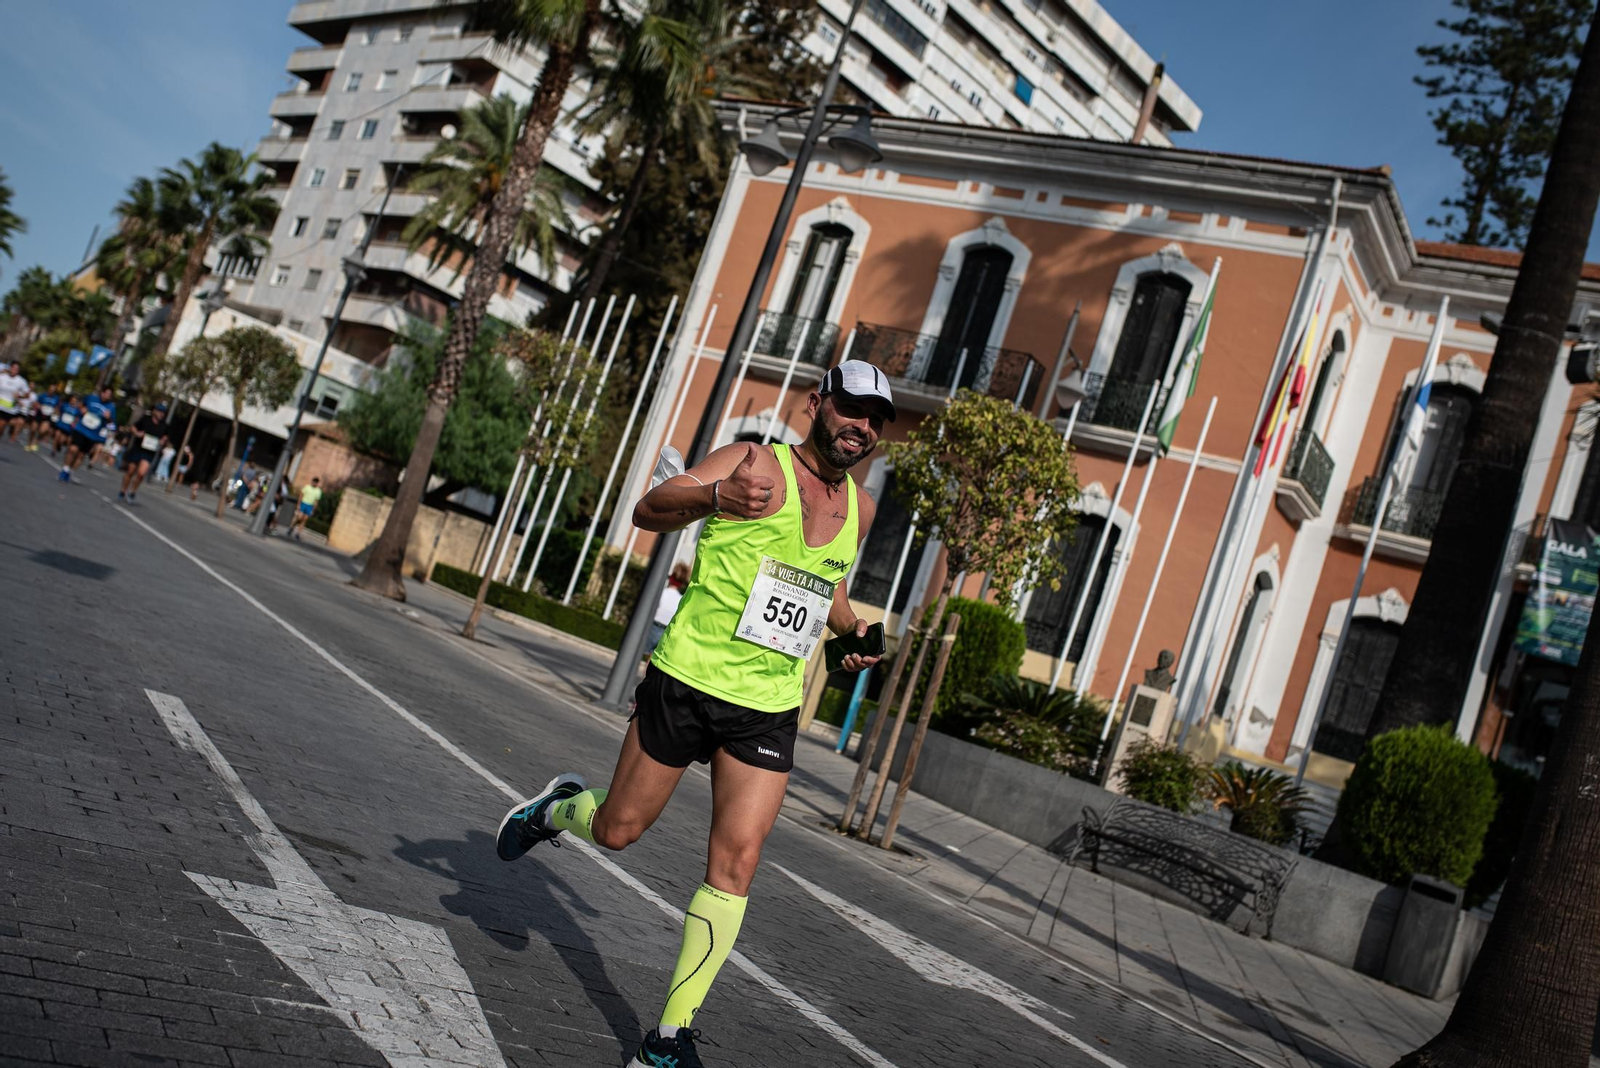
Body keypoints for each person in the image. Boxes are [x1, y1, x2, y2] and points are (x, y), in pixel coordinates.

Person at [495, 361, 894, 1068]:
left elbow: (825, 589)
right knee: (618, 830)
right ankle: (555, 809)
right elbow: (649, 509)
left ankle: (665, 1041)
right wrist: (715, 495)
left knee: (737, 864)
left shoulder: (860, 509)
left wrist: (852, 629)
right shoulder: (751, 462)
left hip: (767, 707)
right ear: (817, 403)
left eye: (875, 419)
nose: (861, 425)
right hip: (687, 680)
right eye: (851, 407)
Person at [119, 402, 170, 503]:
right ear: (154, 411)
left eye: (163, 412)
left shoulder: (164, 425)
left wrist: (163, 440)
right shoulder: (146, 419)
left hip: (149, 452)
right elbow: (133, 427)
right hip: (138, 449)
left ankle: (132, 491)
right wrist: (137, 433)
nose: (161, 414)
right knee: (130, 471)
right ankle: (123, 490)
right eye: (160, 411)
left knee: (141, 473)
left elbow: (166, 437)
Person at [61, 387, 115, 483]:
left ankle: (71, 471)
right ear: (102, 393)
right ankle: (65, 469)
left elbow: (112, 423)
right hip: (81, 428)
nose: (107, 396)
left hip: (92, 434)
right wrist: (82, 409)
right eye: (106, 393)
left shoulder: (111, 407)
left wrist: (108, 418)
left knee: (81, 455)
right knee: (73, 449)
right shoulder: (91, 398)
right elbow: (80, 405)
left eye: (109, 395)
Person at [642, 562, 691, 662]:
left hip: (653, 627)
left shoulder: (662, 593)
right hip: (666, 631)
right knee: (652, 660)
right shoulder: (681, 599)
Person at [27, 382, 62, 452]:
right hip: (39, 414)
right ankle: (29, 443)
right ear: (48, 389)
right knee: (33, 429)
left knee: (42, 431)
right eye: (50, 389)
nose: (51, 391)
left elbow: (57, 407)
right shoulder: (42, 395)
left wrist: (56, 411)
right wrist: (39, 406)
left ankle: (35, 442)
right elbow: (36, 403)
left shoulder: (57, 398)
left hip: (48, 416)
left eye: (53, 390)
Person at [0, 361, 29, 442]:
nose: (14, 370)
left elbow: (27, 395)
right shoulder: (2, 377)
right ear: (10, 368)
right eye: (13, 368)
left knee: (1, 425)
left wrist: (19, 396)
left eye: (17, 369)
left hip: (9, 409)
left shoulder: (21, 381)